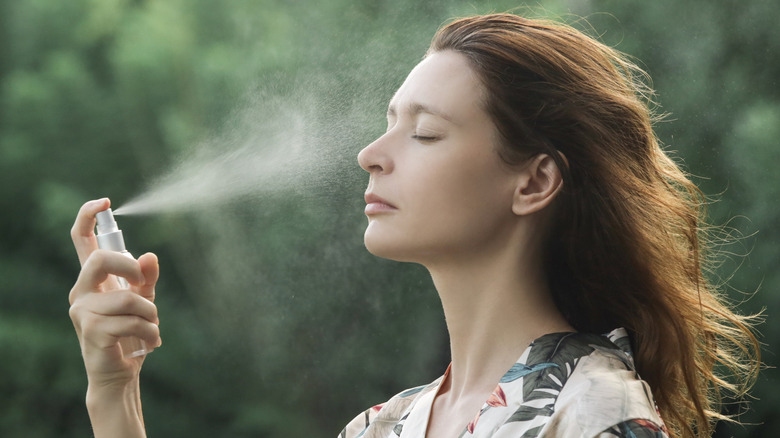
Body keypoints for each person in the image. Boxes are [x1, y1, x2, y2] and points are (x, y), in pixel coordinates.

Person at [68, 13, 760, 438]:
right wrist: (115, 394)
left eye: (424, 133)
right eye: (386, 124)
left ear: (535, 181)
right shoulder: (385, 426)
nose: (371, 155)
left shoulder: (594, 415)